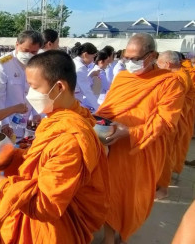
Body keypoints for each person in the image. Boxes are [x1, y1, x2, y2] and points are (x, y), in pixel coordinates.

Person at [0, 50, 110, 244]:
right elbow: (42, 161)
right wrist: (7, 157)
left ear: (58, 87)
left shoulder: (70, 138)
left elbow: (44, 205)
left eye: (33, 87)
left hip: (50, 230)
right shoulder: (61, 119)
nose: (29, 94)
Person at [96, 33, 185, 244]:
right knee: (112, 193)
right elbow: (107, 108)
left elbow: (165, 121)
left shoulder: (169, 82)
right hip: (115, 147)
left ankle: (124, 234)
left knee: (135, 198)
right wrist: (98, 123)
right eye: (127, 58)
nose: (131, 63)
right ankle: (109, 236)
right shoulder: (122, 78)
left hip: (143, 149)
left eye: (136, 59)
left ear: (152, 55)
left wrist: (130, 132)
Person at [0, 30, 43, 138]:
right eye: (25, 50)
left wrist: (36, 114)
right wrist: (4, 123)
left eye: (33, 52)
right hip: (7, 123)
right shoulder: (3, 64)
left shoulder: (38, 64)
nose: (29, 55)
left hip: (28, 122)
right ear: (17, 44)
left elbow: (39, 91)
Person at [155, 50, 195, 199]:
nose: (157, 67)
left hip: (175, 121)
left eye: (159, 63)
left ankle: (163, 189)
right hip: (175, 119)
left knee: (167, 153)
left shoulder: (179, 79)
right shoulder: (179, 75)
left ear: (167, 63)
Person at [71, 42, 99, 111]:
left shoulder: (74, 62)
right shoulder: (80, 67)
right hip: (74, 100)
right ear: (85, 54)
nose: (93, 60)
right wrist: (99, 108)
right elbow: (87, 91)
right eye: (93, 57)